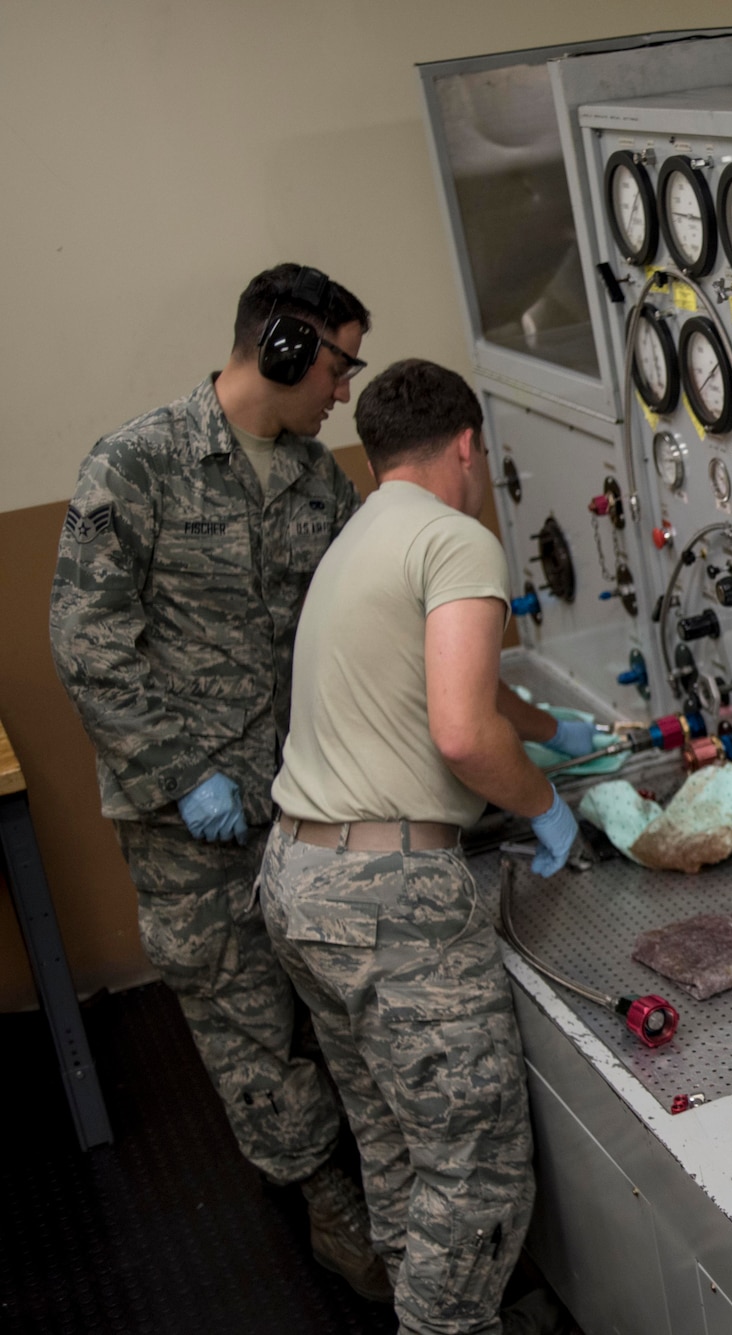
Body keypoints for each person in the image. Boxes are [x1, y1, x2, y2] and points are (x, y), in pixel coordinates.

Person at [50, 263, 391, 1299]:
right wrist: (181, 771)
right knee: (244, 1020)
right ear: (285, 348)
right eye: (340, 364)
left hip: (307, 797)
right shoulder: (139, 465)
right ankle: (329, 1208)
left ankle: (374, 1181)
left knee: (334, 1004)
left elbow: (360, 603)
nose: (344, 391)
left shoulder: (315, 475)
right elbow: (87, 642)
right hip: (187, 824)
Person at [260, 357, 588, 1335]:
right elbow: (456, 730)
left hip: (298, 878)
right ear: (466, 449)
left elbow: (462, 688)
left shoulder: (362, 533)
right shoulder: (456, 539)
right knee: (475, 1171)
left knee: (398, 1148)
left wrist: (545, 730)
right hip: (389, 899)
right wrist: (545, 806)